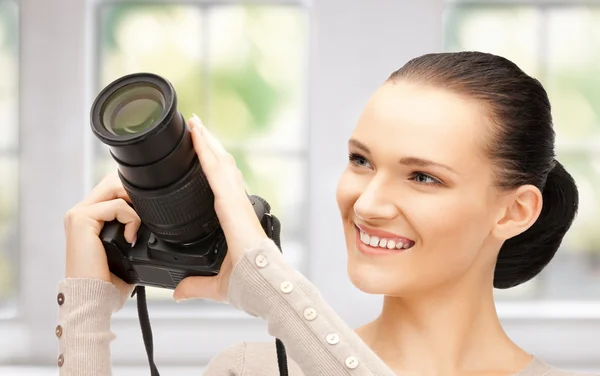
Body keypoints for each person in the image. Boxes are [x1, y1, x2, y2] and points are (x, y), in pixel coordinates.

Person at [56, 51, 599, 376]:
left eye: (423, 177)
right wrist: (87, 311)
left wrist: (272, 289)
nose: (367, 204)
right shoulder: (255, 370)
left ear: (514, 211)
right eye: (361, 161)